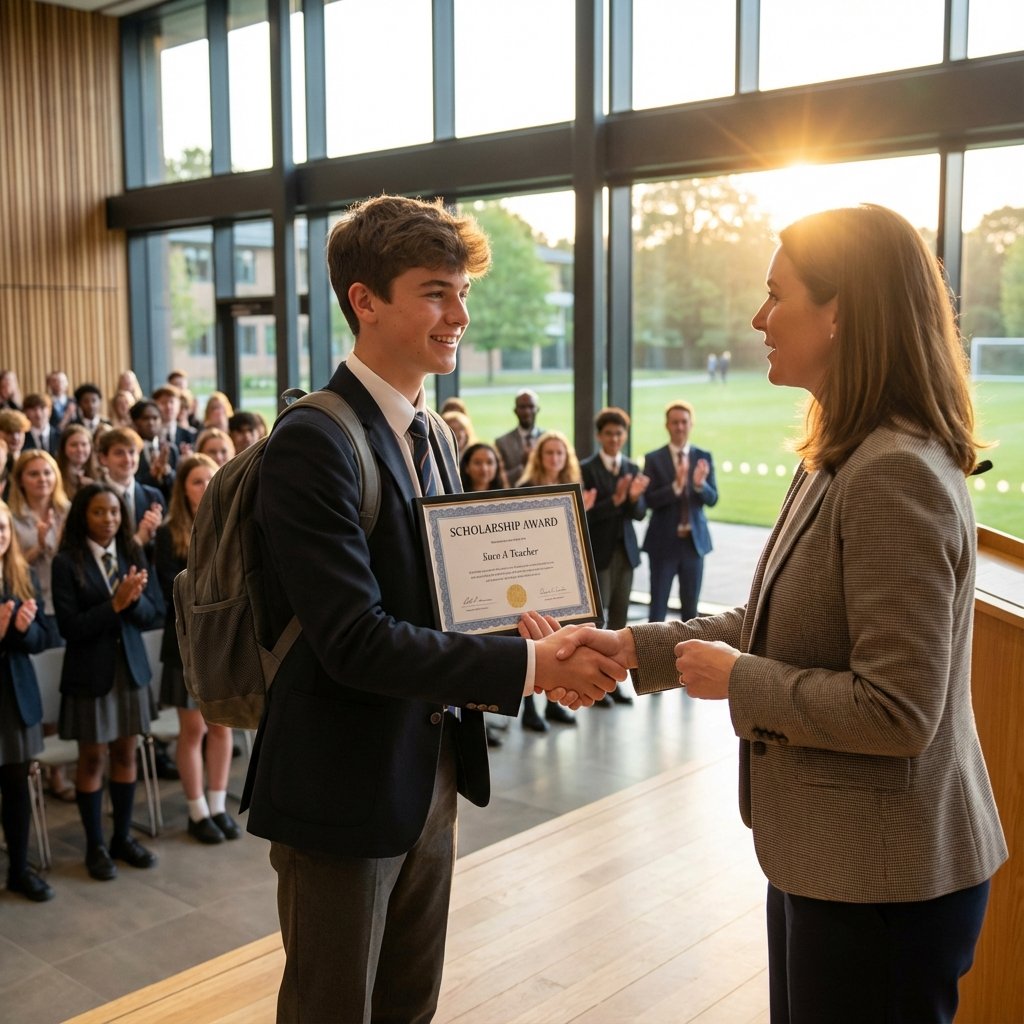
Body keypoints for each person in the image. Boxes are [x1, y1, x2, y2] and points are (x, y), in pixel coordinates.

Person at [552, 204, 1008, 1023]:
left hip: (884, 880)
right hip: (829, 861)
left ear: (841, 312)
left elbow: (899, 711)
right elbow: (769, 619)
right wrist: (631, 647)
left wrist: (743, 682)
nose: (759, 319)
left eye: (776, 295)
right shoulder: (842, 450)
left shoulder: (891, 473)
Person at [241, 194, 623, 1023]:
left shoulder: (434, 437)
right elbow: (354, 641)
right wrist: (526, 668)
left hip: (430, 770)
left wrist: (529, 632)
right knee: (331, 1009)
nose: (460, 314)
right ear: (364, 301)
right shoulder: (314, 441)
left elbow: (448, 600)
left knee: (409, 1005)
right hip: (342, 784)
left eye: (462, 292)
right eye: (435, 292)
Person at [51, 483, 164, 882]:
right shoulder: (67, 562)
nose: (109, 519)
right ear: (83, 514)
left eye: (115, 512)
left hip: (129, 668)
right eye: (99, 512)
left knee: (126, 754)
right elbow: (70, 627)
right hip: (90, 673)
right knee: (93, 758)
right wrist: (113, 606)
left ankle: (121, 838)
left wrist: (132, 603)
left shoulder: (132, 552)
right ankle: (95, 845)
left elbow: (154, 613)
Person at [155, 454, 241, 844]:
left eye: (210, 478)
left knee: (221, 726)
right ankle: (196, 811)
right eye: (195, 481)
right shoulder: (167, 532)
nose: (205, 486)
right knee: (192, 730)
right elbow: (166, 592)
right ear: (182, 489)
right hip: (183, 641)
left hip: (219, 639)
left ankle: (218, 804)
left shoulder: (227, 523)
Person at [515, 430, 596, 730]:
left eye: (560, 453)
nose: (555, 458)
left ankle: (553, 704)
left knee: (557, 637)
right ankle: (529, 709)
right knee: (529, 639)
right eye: (549, 453)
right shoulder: (525, 487)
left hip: (557, 574)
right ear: (539, 457)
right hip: (529, 573)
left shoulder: (572, 489)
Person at [0, 500, 54, 901]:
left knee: (17, 786)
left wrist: (19, 630)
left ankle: (19, 869)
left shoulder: (20, 574)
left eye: (3, 528)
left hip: (14, 696)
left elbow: (40, 640)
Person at [580, 407, 649, 705]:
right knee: (602, 619)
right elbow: (586, 515)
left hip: (626, 553)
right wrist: (616, 500)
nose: (614, 438)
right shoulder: (587, 468)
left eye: (619, 433)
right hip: (601, 551)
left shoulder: (632, 467)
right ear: (599, 436)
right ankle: (595, 683)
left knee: (620, 622)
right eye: (608, 433)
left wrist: (632, 499)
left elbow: (639, 513)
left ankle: (613, 683)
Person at [641, 400, 717, 622]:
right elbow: (649, 501)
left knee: (691, 610)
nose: (680, 427)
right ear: (667, 425)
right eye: (675, 422)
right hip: (663, 544)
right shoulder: (653, 459)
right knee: (657, 608)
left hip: (693, 545)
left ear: (691, 424)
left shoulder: (703, 457)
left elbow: (713, 500)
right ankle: (651, 654)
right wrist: (675, 486)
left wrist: (700, 485)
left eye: (684, 422)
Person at [130, 399, 176, 498]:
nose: (151, 423)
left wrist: (167, 472)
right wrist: (152, 474)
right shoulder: (130, 450)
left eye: (155, 418)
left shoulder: (170, 449)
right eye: (145, 418)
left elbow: (179, 483)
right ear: (135, 422)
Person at [495, 389, 541, 485]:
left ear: (537, 409)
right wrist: (523, 466)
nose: (527, 411)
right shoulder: (502, 443)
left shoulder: (549, 440)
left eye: (531, 406)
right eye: (522, 407)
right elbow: (498, 479)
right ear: (515, 410)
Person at [56, 423, 98, 500]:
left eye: (84, 444)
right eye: (74, 445)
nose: (79, 450)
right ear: (64, 448)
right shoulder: (55, 474)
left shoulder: (100, 473)